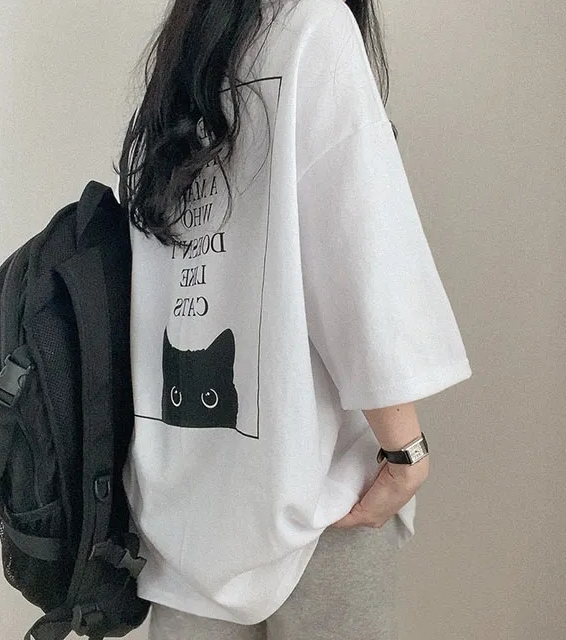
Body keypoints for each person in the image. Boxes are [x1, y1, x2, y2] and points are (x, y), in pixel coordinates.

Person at [113, 0, 472, 638]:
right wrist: (406, 452)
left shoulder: (185, 53)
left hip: (184, 515)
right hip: (318, 502)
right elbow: (358, 253)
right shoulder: (315, 27)